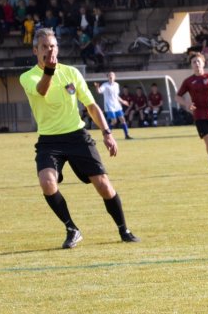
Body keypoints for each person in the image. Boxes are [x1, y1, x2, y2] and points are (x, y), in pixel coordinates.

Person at [19, 28, 139, 249]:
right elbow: (42, 90)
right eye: (44, 46)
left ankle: (124, 229)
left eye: (53, 46)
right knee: (47, 183)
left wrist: (107, 133)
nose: (49, 50)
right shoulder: (28, 76)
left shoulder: (72, 73)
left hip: (77, 136)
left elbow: (91, 105)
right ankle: (72, 228)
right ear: (36, 50)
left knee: (103, 186)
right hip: (49, 140)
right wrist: (50, 70)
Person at [177, 53, 208, 173]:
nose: (196, 64)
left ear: (203, 63)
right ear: (191, 65)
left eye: (198, 61)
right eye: (194, 62)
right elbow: (178, 96)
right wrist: (187, 104)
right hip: (199, 115)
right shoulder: (188, 81)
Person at [95, 72, 133, 140]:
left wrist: (123, 101)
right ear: (108, 77)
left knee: (123, 120)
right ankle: (107, 136)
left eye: (112, 75)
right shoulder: (105, 85)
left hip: (117, 105)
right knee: (114, 121)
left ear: (114, 77)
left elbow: (116, 96)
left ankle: (127, 135)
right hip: (109, 105)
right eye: (109, 75)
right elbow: (99, 91)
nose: (111, 76)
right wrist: (97, 87)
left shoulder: (116, 85)